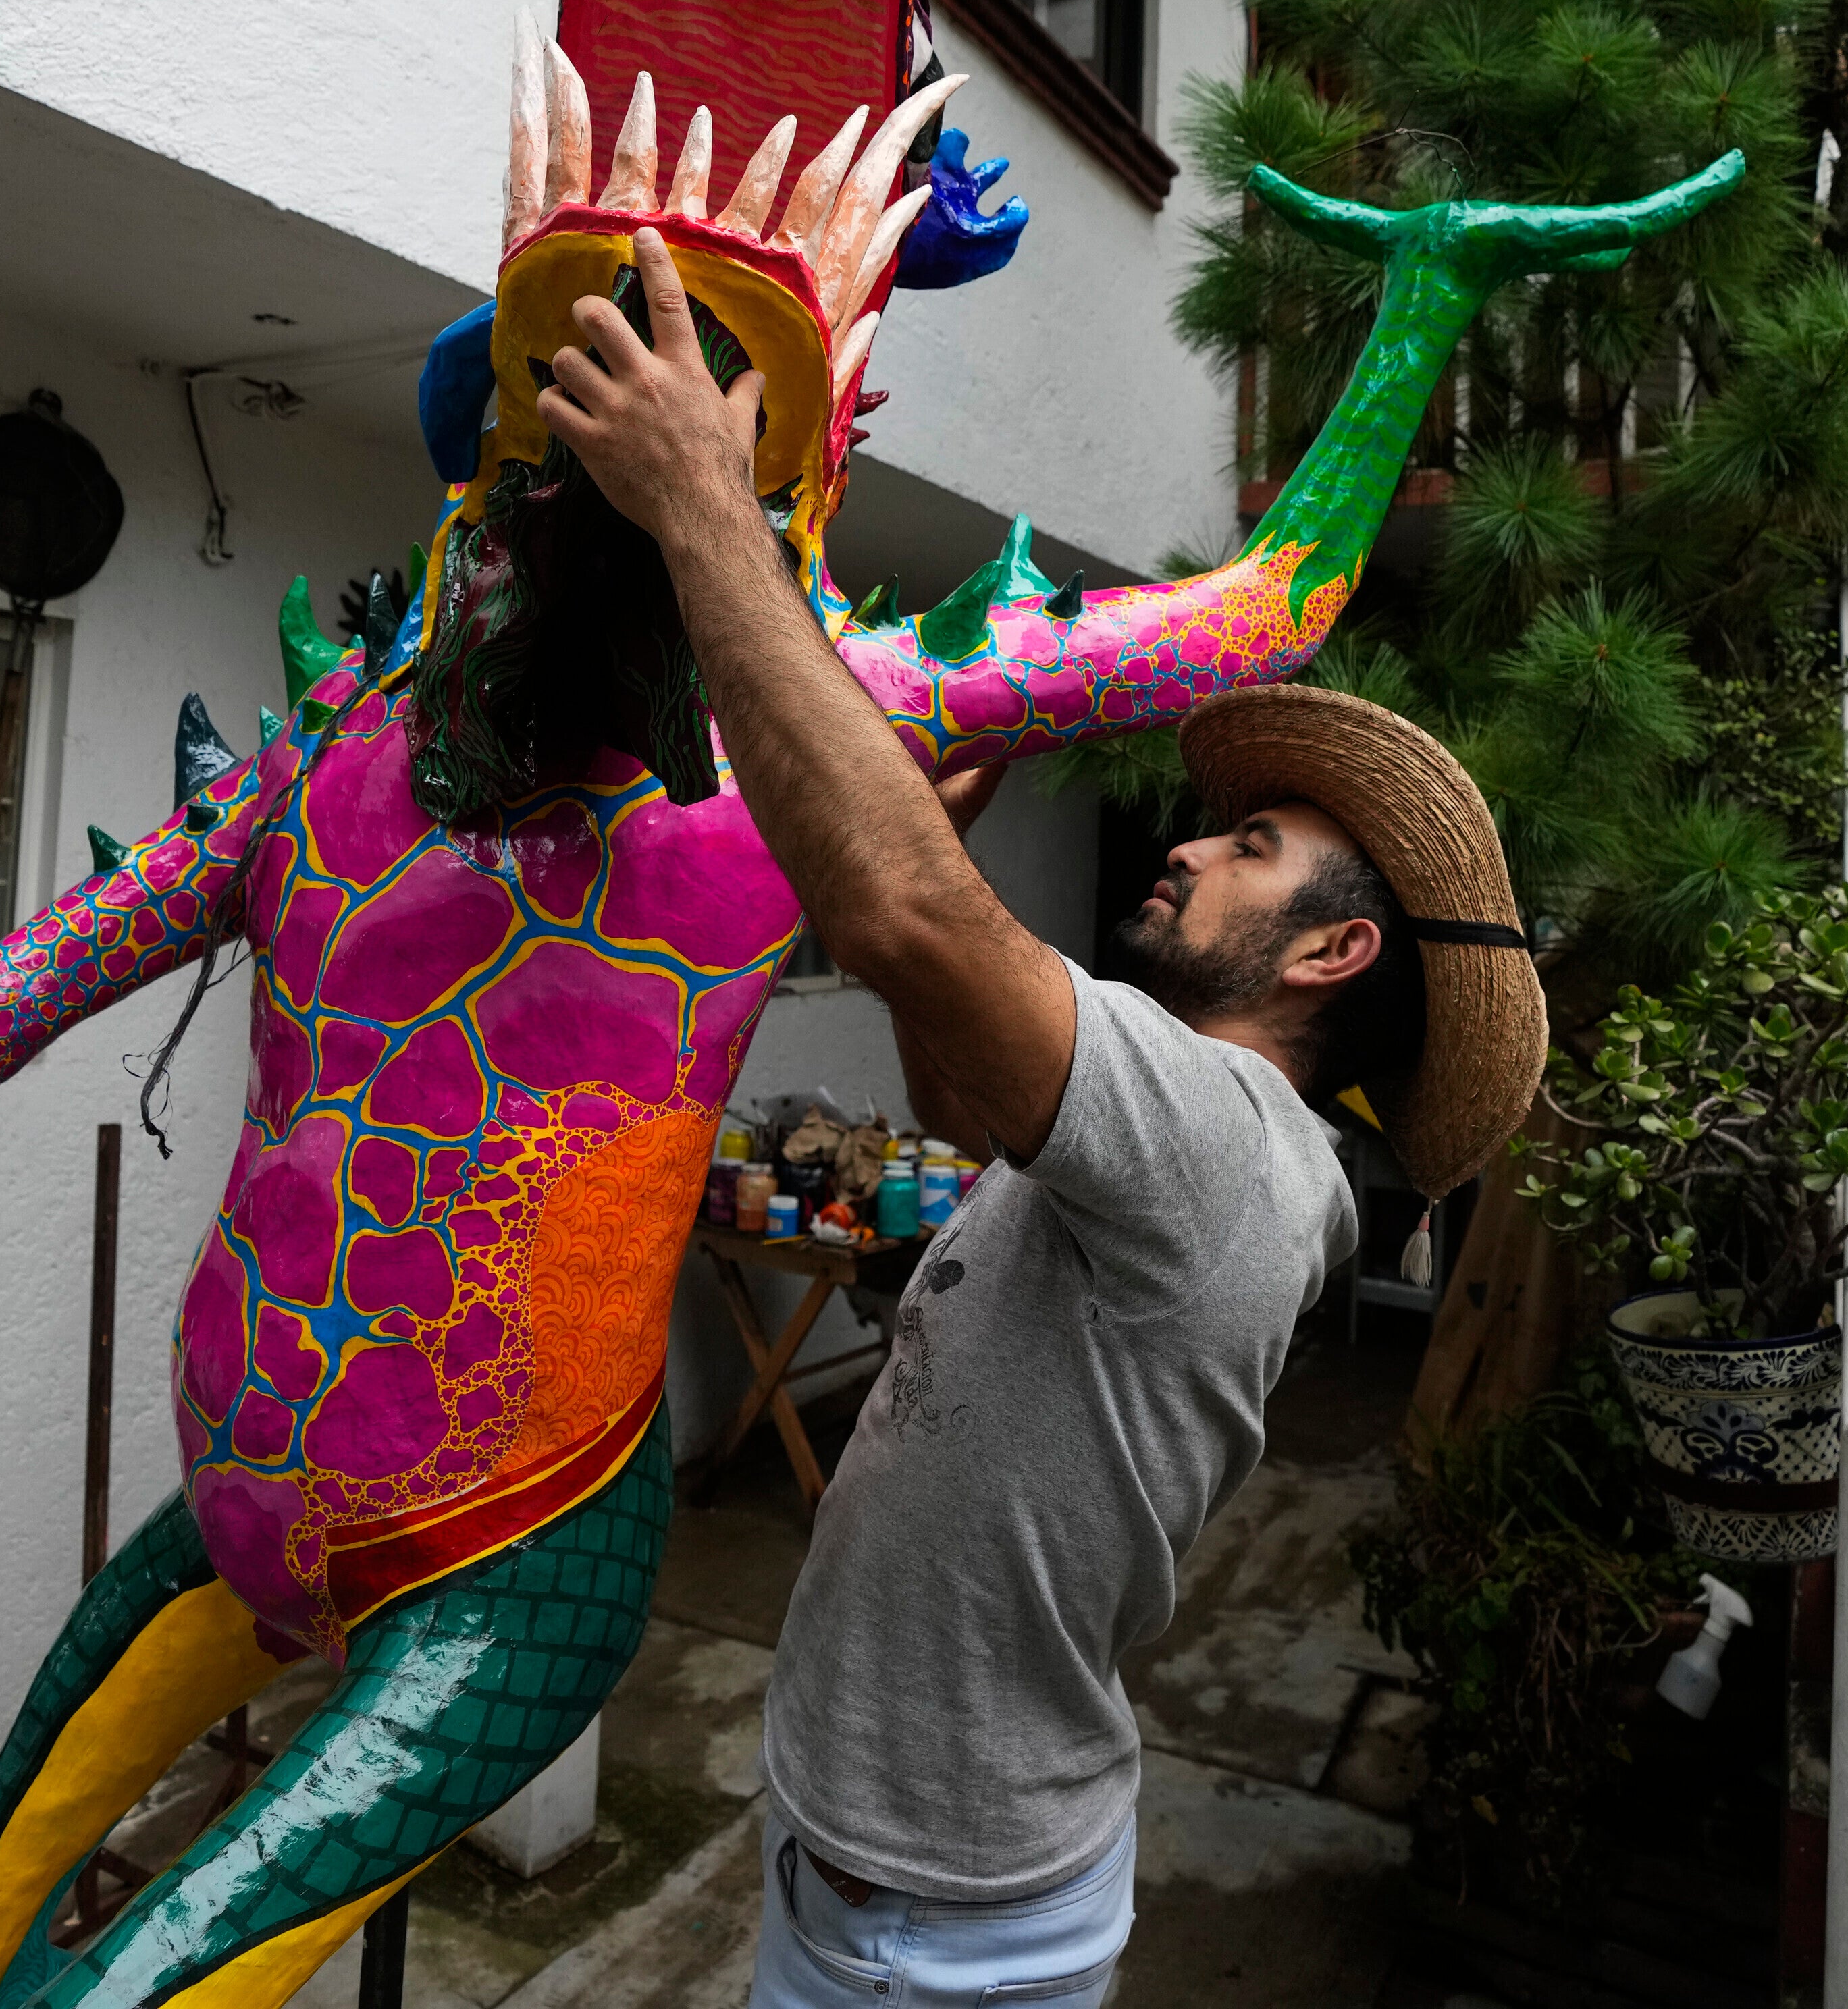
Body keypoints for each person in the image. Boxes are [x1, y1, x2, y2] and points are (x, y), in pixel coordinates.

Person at [540, 236, 1549, 2009]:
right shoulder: (1178, 1133)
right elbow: (961, 1073)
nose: (1187, 841)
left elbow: (912, 931)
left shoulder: (1233, 1141)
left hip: (934, 1943)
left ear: (1335, 949)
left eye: (1250, 850)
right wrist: (915, 863)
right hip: (866, 1876)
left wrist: (707, 502)